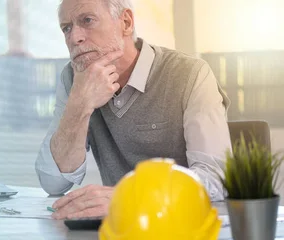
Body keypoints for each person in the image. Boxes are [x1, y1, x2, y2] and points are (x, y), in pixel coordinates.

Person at [35, 0, 232, 220]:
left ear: (126, 23)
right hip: (121, 228)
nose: (74, 38)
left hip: (183, 223)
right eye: (66, 28)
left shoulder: (190, 74)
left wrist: (130, 196)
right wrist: (79, 105)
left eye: (87, 20)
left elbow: (216, 180)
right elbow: (53, 182)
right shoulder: (74, 79)